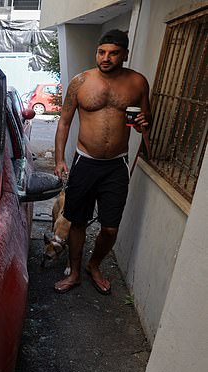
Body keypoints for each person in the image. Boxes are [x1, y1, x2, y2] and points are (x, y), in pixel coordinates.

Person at [53, 29, 150, 295]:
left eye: (113, 53)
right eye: (101, 52)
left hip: (116, 165)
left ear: (125, 55)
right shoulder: (81, 82)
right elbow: (64, 121)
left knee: (110, 227)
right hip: (85, 162)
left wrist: (144, 124)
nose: (106, 58)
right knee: (77, 220)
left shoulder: (138, 83)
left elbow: (145, 122)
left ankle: (93, 265)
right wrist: (60, 158)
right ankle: (74, 272)